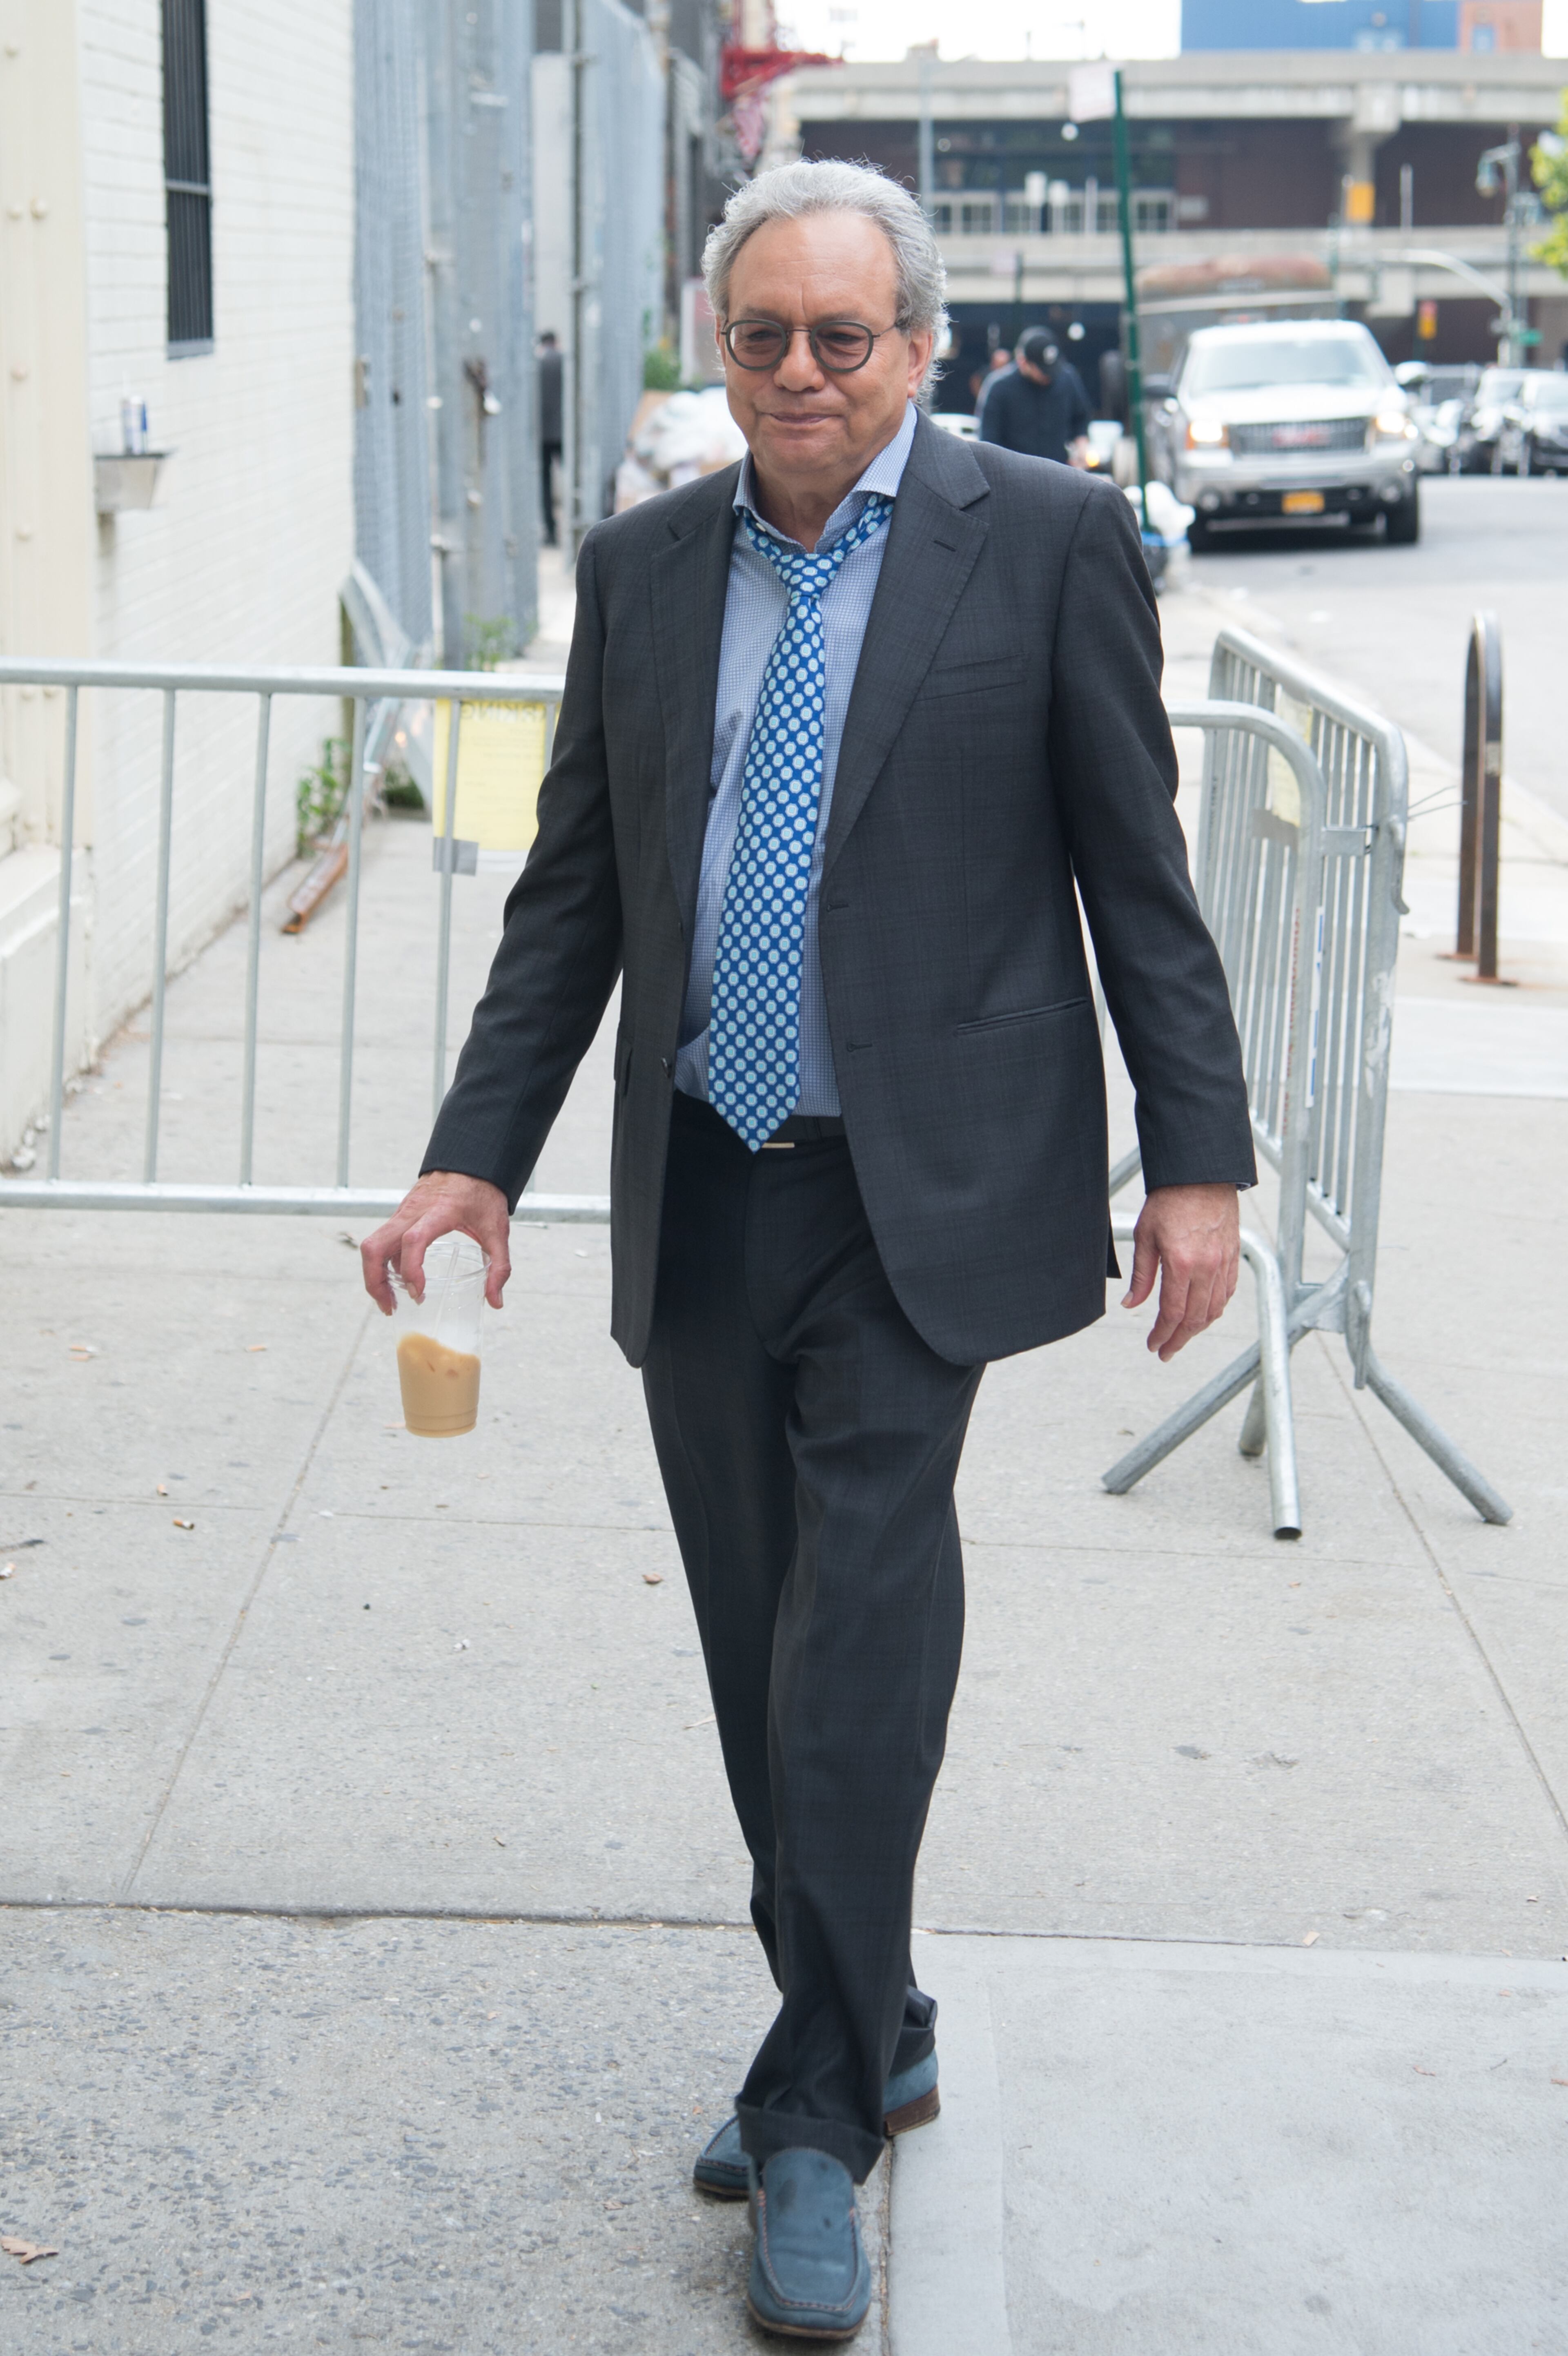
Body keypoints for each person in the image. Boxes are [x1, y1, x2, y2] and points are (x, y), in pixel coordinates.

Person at [362, 158, 1253, 2344]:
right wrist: (473, 1157)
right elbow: (575, 893)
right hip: (701, 1180)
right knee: (761, 1641)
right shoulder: (648, 567)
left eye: (842, 338)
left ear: (918, 348)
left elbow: (1137, 879)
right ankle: (878, 2009)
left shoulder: (1045, 541)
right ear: (721, 342)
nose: (798, 374)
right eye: (761, 335)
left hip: (914, 1193)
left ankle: (816, 2114)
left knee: (858, 1628)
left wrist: (1196, 1162)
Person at [978, 324, 1091, 466]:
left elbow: (1081, 417)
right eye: (1043, 370)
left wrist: (1081, 446)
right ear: (1023, 362)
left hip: (1058, 468)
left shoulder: (1067, 378)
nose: (1049, 376)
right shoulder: (1000, 387)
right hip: (1016, 472)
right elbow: (989, 442)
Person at [537, 330, 564, 546]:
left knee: (545, 484)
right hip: (565, 432)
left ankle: (551, 531)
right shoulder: (564, 361)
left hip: (542, 433)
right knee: (572, 476)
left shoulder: (537, 363)